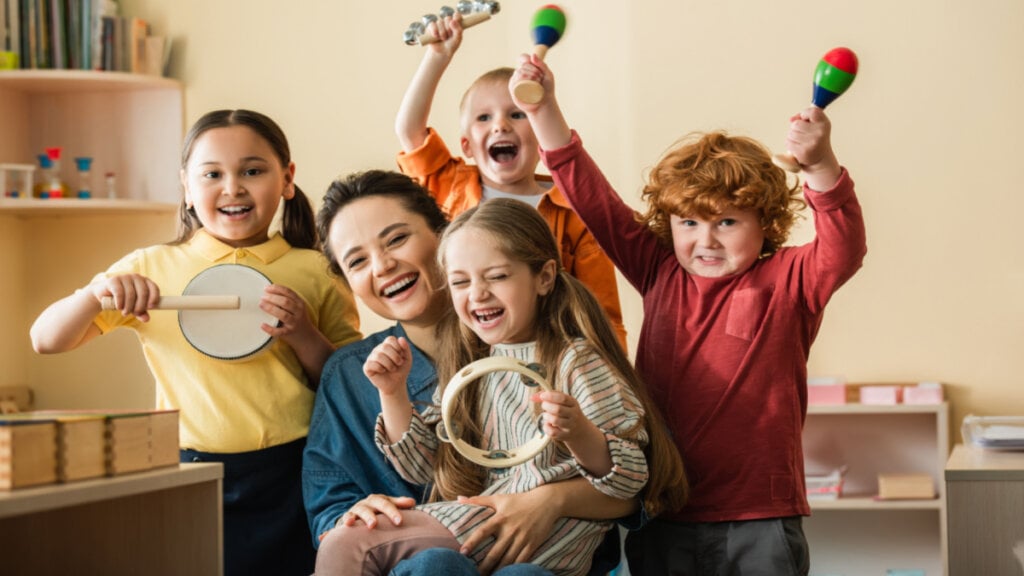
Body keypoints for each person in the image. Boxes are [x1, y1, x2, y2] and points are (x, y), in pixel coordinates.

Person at [510, 56, 868, 576]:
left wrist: (819, 165)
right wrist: (544, 108)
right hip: (662, 511)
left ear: (765, 223)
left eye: (727, 221)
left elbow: (844, 248)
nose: (706, 240)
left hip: (760, 517)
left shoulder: (789, 280)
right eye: (689, 222)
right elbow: (593, 198)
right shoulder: (657, 269)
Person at [30, 109, 362, 576]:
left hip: (298, 471)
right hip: (191, 471)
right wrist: (95, 294)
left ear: (287, 179)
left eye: (253, 170)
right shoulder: (151, 268)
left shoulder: (317, 270)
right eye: (212, 174)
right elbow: (45, 340)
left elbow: (347, 385)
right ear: (186, 186)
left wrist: (305, 334)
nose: (232, 188)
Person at [303, 171, 660, 576]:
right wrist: (392, 394)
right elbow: (408, 472)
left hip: (535, 543)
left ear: (442, 235)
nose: (383, 265)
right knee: (419, 560)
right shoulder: (369, 374)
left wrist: (554, 496)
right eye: (357, 260)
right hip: (464, 542)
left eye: (397, 239)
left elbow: (635, 483)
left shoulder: (567, 360)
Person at [393, 12, 628, 350]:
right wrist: (437, 56)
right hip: (463, 351)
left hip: (546, 355)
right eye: (484, 117)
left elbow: (603, 313)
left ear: (539, 134)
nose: (500, 125)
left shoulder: (572, 209)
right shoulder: (451, 185)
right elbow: (409, 132)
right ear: (466, 146)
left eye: (517, 114)